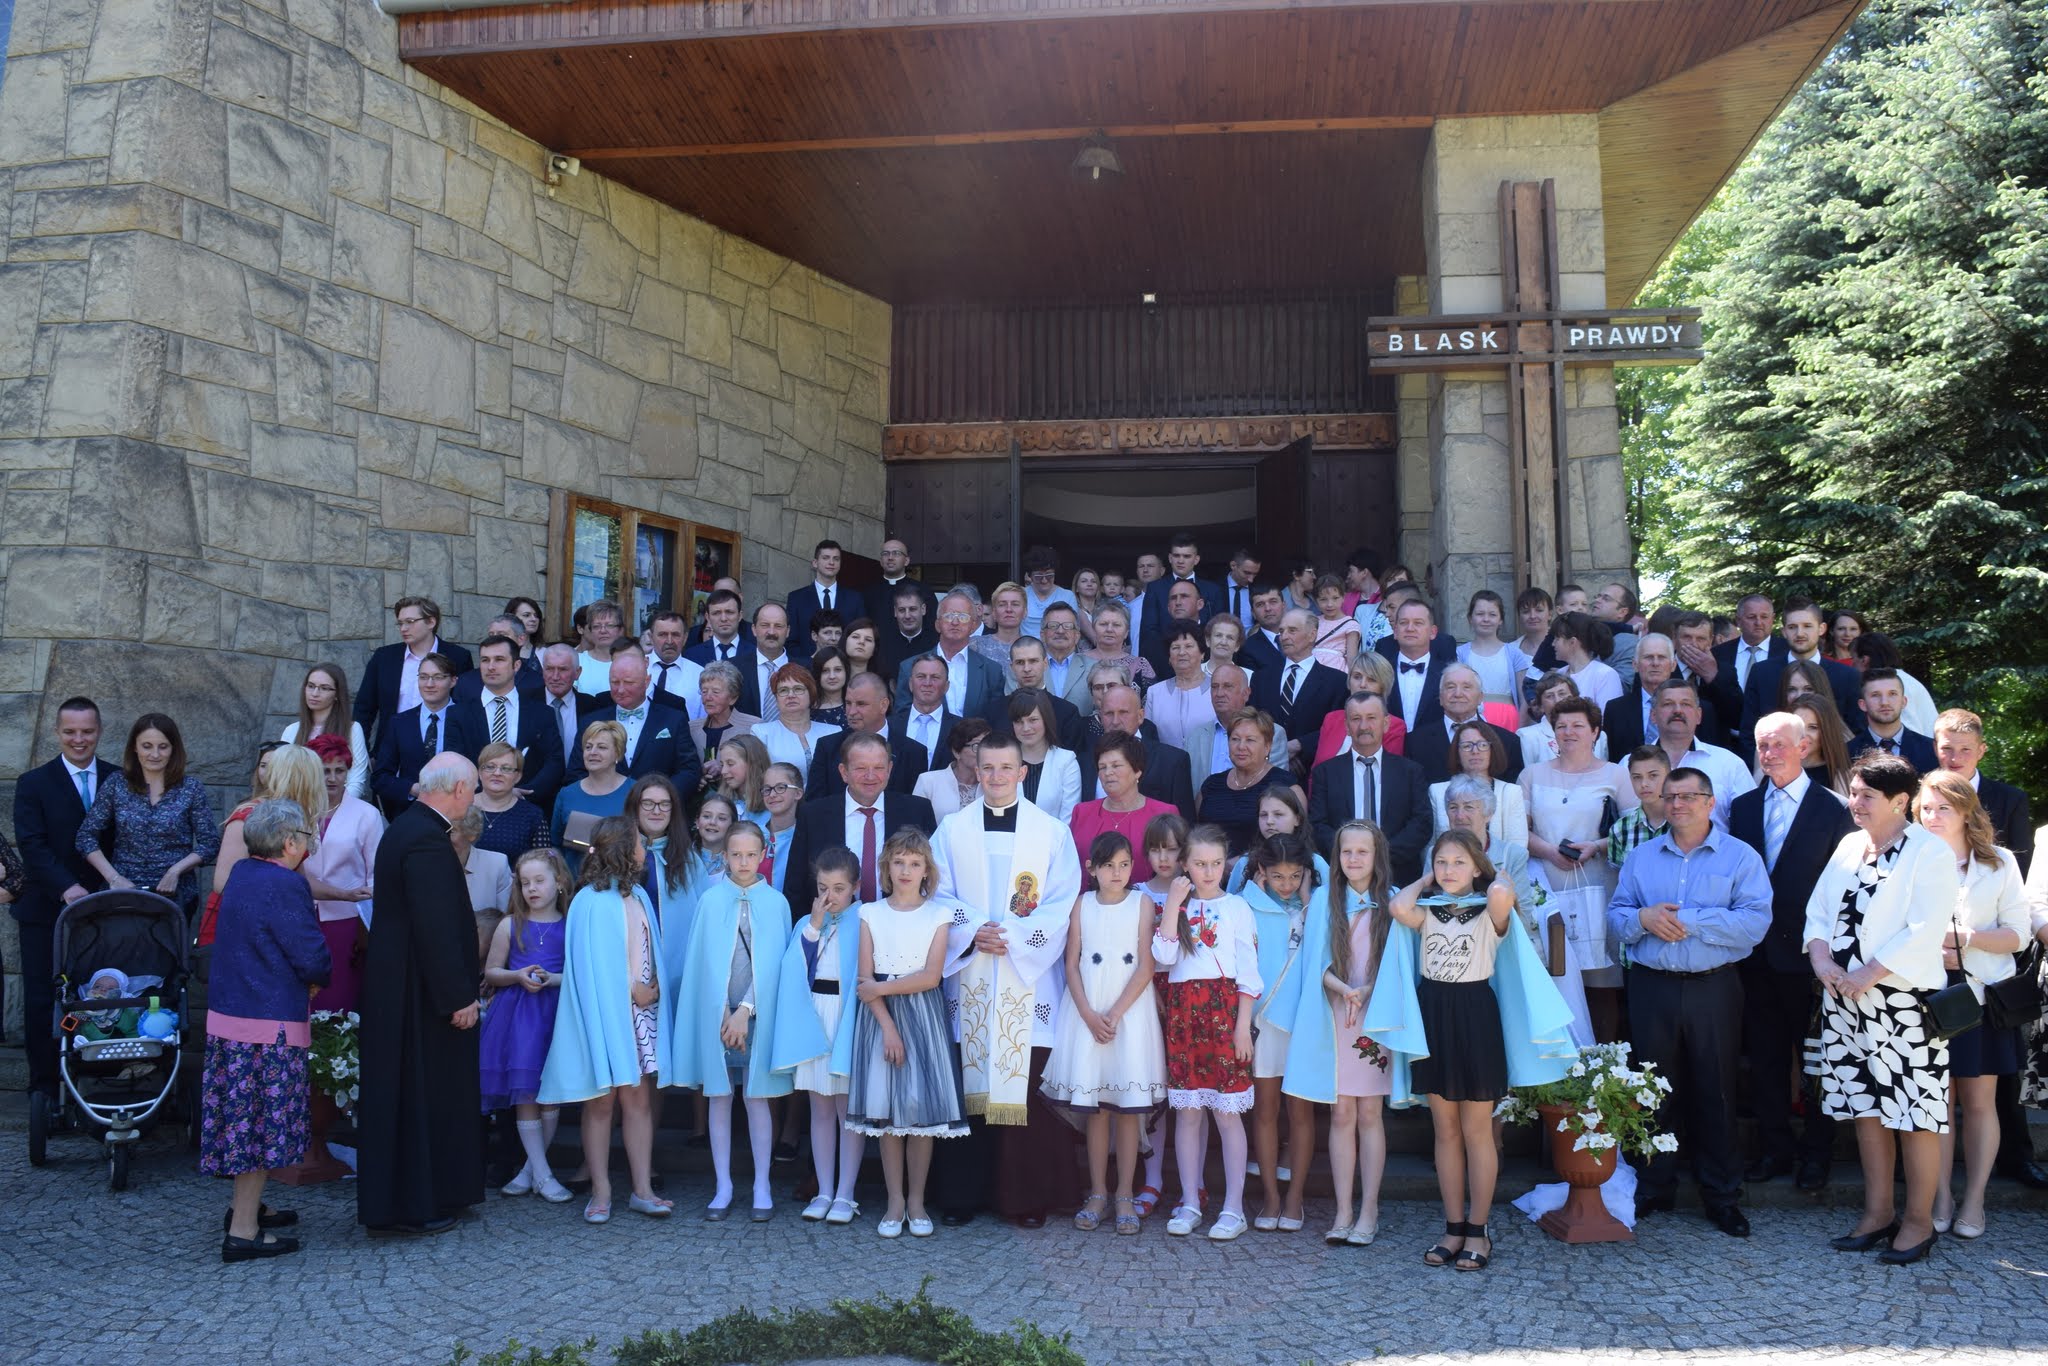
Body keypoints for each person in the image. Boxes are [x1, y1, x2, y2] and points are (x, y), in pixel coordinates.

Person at [1372, 830, 1572, 1272]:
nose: (1448, 870)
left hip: (1476, 1016)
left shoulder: (1490, 911)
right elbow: (1399, 906)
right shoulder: (1428, 911)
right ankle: (1453, 1227)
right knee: (1444, 1130)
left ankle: (1479, 1230)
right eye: (1441, 862)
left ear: (1477, 867)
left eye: (1459, 862)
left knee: (1477, 1130)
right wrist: (1427, 879)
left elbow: (1501, 895)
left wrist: (1493, 874)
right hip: (1434, 1016)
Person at [1804, 752, 1958, 1264]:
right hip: (1844, 1001)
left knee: (1914, 1114)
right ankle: (1877, 1214)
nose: (1855, 803)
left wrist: (1867, 974)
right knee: (1865, 1109)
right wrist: (1822, 959)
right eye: (1853, 793)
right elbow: (1819, 910)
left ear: (1900, 801)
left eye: (1866, 795)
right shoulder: (1850, 845)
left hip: (1902, 1004)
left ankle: (1918, 1222)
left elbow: (1924, 927)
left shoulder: (1928, 851)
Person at [1607, 766, 1772, 1237]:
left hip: (1713, 987)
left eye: (1688, 796)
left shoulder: (1740, 857)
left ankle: (1721, 1195)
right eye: (1670, 797)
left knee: (1715, 1090)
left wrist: (1691, 921)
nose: (1677, 804)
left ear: (1710, 802)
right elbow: (1616, 917)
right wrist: (1643, 918)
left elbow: (1755, 923)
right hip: (1651, 985)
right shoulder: (1641, 857)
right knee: (1652, 1089)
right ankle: (1654, 1185)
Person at [930, 732, 1083, 1229]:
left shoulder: (1050, 832)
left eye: (1005, 768)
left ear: (1022, 773)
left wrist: (1013, 937)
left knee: (1024, 1092)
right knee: (966, 1084)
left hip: (1026, 973)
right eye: (987, 768)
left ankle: (1024, 1198)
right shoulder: (951, 830)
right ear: (975, 772)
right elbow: (937, 892)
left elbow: (1061, 901)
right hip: (970, 969)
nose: (996, 777)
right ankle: (961, 1195)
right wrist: (975, 931)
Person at [356, 753, 485, 1237]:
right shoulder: (427, 840)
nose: (474, 798)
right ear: (457, 789)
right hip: (419, 991)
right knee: (421, 1092)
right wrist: (458, 996)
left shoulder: (408, 829)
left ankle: (429, 1194)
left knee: (415, 1090)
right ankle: (414, 1203)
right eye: (473, 789)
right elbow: (436, 927)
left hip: (405, 982)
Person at [201, 799, 331, 1263]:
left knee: (240, 1121)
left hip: (230, 1017)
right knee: (257, 1128)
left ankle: (248, 1209)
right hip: (266, 1023)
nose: (308, 847)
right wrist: (318, 975)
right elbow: (311, 954)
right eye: (306, 838)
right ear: (289, 842)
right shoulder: (285, 882)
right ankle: (243, 1231)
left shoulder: (242, 873)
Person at [1730, 712, 1854, 1191]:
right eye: (1762, 745)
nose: (1770, 753)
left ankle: (1817, 1154)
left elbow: (1844, 888)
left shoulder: (1835, 808)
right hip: (1756, 957)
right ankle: (1774, 1149)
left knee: (1817, 1059)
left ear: (1803, 747)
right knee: (1766, 1059)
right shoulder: (1741, 808)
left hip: (1812, 958)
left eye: (1779, 744)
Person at [538, 815, 670, 1224]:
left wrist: (652, 987)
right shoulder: (589, 900)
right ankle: (601, 1191)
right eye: (640, 843)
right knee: (600, 1103)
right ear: (623, 850)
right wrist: (632, 988)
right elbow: (591, 965)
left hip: (640, 1015)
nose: (645, 849)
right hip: (605, 1013)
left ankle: (642, 1190)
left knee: (638, 1100)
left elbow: (648, 948)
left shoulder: (639, 896)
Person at [1916, 770, 2030, 1241]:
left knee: (1981, 1103)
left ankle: (1975, 1199)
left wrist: (1965, 940)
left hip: (1981, 995)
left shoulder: (2000, 862)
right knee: (1936, 1104)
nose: (1933, 816)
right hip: (1924, 996)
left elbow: (2018, 935)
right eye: (1926, 808)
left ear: (1966, 811)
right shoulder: (1908, 860)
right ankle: (1939, 1197)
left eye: (1943, 808)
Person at [845, 828, 971, 1238]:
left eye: (914, 863)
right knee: (886, 1112)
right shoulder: (869, 913)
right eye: (898, 861)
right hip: (880, 1019)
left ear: (926, 871)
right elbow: (865, 976)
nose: (905, 870)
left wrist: (880, 989)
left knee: (920, 1111)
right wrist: (887, 1027)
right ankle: (895, 1200)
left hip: (922, 1014)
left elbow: (931, 976)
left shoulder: (938, 915)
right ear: (886, 866)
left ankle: (917, 1200)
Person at [1041, 831, 1166, 1237]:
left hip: (1128, 1013)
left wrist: (1114, 1014)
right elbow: (1072, 963)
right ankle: (1097, 1193)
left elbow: (1146, 965)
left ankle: (1125, 1194)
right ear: (1091, 869)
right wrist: (1087, 1014)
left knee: (1127, 1110)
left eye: (1124, 864)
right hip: (1087, 1011)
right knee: (1095, 1108)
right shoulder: (1082, 904)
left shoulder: (1142, 904)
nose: (1117, 873)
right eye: (1109, 865)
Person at [667, 821, 793, 1219]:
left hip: (756, 1013)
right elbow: (703, 961)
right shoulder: (710, 900)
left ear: (763, 855)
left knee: (756, 1097)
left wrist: (745, 1010)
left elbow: (775, 967)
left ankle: (761, 1184)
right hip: (717, 1014)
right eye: (735, 854)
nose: (743, 862)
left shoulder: (776, 903)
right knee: (719, 1096)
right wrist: (723, 1010)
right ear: (724, 856)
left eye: (751, 854)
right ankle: (722, 1184)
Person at [1286, 820, 1394, 1245]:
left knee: (1369, 1113)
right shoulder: (1324, 902)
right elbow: (1313, 961)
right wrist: (1343, 987)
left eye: (1362, 852)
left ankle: (1370, 1209)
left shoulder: (1390, 902)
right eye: (1346, 852)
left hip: (1374, 1017)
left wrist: (1366, 990)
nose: (1354, 859)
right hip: (1335, 1013)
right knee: (1341, 1113)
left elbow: (1399, 965)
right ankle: (1344, 1209)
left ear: (1376, 856)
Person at [1152, 823, 1261, 1240]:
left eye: (1216, 863)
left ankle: (1233, 1208)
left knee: (1227, 1114)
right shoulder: (1175, 905)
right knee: (1188, 1113)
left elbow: (1249, 972)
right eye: (1200, 864)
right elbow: (1162, 958)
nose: (1209, 871)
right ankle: (1190, 1202)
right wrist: (1173, 905)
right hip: (1184, 1013)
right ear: (1185, 865)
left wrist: (1242, 1027)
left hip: (1224, 1011)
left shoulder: (1237, 907)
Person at [12, 697, 119, 1099]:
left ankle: (97, 1082)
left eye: (87, 731)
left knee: (101, 994)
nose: (79, 739)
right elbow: (32, 845)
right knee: (43, 998)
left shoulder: (118, 778)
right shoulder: (33, 783)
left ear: (99, 731)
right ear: (57, 732)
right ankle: (43, 1085)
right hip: (46, 909)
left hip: (104, 910)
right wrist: (65, 887)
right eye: (70, 731)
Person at [1520, 697, 1636, 1045]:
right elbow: (1519, 829)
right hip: (1547, 888)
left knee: (1600, 981)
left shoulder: (1616, 774)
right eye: (1561, 726)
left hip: (1599, 885)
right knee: (1555, 975)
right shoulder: (1532, 774)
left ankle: (1604, 1062)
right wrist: (1549, 851)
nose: (1568, 732)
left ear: (1595, 731)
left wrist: (1595, 846)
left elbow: (1633, 829)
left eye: (1577, 726)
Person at [770, 848, 866, 1225]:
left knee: (847, 1111)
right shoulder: (808, 923)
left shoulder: (866, 920)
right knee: (820, 1108)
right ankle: (824, 1189)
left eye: (839, 888)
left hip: (847, 1015)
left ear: (856, 887)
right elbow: (793, 967)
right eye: (823, 888)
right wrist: (813, 924)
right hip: (815, 1016)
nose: (830, 896)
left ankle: (846, 1193)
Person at [479, 848, 573, 1204]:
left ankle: (529, 1171)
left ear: (559, 882)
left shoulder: (571, 924)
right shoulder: (510, 924)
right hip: (518, 1019)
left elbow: (579, 973)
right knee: (526, 1093)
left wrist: (552, 979)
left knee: (551, 1092)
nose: (532, 888)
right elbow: (492, 971)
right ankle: (544, 1175)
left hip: (557, 1015)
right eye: (525, 883)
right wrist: (517, 975)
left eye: (539, 881)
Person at [1242, 832, 1320, 1233]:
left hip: (1303, 1020)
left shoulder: (1316, 905)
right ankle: (1271, 1196)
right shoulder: (1245, 906)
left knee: (1300, 1112)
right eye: (1277, 876)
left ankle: (1295, 1197)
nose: (1286, 884)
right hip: (1264, 1021)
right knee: (1265, 1110)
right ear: (1262, 871)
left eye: (1294, 876)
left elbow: (1323, 953)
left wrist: (1307, 902)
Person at [77, 712, 220, 921]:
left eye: (163, 746)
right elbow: (85, 836)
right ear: (135, 747)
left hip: (174, 895)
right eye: (147, 746)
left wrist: (175, 871)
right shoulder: (117, 784)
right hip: (123, 894)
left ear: (173, 749)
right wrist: (113, 877)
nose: (155, 754)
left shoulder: (191, 788)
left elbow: (210, 843)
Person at [782, 731, 940, 914]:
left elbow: (933, 877)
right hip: (831, 924)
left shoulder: (917, 811)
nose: (870, 776)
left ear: (889, 769)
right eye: (861, 768)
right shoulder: (813, 815)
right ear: (844, 772)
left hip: (901, 923)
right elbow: (796, 885)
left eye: (878, 768)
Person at [1307, 692, 1433, 886]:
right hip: (1342, 877)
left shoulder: (1410, 771)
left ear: (1386, 723)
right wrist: (1351, 856)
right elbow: (1317, 825)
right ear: (1347, 726)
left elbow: (1422, 824)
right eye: (1356, 719)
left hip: (1397, 876)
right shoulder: (1325, 773)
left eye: (1371, 718)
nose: (1364, 726)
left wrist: (1380, 856)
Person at [299, 735, 382, 1012]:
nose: (332, 778)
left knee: (339, 994)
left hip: (347, 920)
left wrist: (369, 922)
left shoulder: (366, 814)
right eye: (325, 770)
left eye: (340, 770)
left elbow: (376, 873)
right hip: (301, 915)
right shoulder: (297, 809)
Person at [566, 645, 703, 796]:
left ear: (647, 681)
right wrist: (602, 796)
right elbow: (576, 771)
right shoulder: (590, 721)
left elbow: (689, 770)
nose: (621, 690)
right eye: (615, 682)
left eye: (629, 682)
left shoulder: (673, 719)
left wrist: (662, 797)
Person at [457, 634, 567, 815]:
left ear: (516, 665)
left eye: (499, 659)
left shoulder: (542, 712)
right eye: (485, 660)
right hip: (473, 808)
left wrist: (523, 794)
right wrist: (487, 793)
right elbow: (457, 761)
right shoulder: (459, 713)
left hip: (528, 807)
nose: (491, 666)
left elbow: (554, 760)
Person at [370, 652, 480, 817]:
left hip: (460, 815)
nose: (429, 684)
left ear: (453, 681)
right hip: (411, 815)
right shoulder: (399, 723)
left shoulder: (470, 718)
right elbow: (380, 777)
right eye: (423, 677)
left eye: (438, 677)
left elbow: (480, 769)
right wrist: (412, 789)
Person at [355, 596, 474, 749]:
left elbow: (466, 707)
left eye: (410, 621)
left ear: (431, 622)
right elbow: (364, 708)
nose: (403, 628)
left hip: (442, 749)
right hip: (391, 750)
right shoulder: (384, 657)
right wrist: (363, 752)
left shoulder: (458, 657)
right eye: (400, 623)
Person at [1070, 732, 1180, 880]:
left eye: (1116, 765)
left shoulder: (1164, 813)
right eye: (1102, 767)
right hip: (1086, 895)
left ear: (1137, 770)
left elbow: (1175, 870)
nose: (1108, 772)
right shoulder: (1082, 812)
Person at [1646, 678, 1754, 828]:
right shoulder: (1629, 766)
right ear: (1653, 715)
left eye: (1686, 704)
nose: (1677, 710)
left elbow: (1749, 822)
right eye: (1668, 704)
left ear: (1699, 715)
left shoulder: (1729, 764)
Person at [1743, 596, 1862, 732]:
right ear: (1784, 632)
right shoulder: (1761, 673)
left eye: (1807, 626)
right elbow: (1749, 730)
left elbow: (1857, 730)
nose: (1799, 633)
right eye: (1792, 627)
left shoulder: (1847, 676)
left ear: (1821, 628)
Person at [1078, 685, 1198, 819]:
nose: (1115, 721)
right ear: (1100, 717)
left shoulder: (1172, 761)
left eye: (1123, 713)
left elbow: (1184, 823)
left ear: (1140, 716)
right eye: (1109, 714)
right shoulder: (1084, 761)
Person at [1252, 609, 1350, 770]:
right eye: (1281, 631)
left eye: (1292, 630)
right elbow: (1253, 719)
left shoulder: (1337, 681)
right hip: (1265, 768)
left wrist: (1301, 746)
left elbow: (1337, 727)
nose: (1284, 636)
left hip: (1312, 769)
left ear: (1312, 635)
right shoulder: (1261, 678)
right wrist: (1276, 753)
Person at [1197, 709, 1303, 858]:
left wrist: (1241, 862)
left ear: (1267, 746)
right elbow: (1196, 835)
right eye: (1235, 739)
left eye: (1250, 740)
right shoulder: (1211, 785)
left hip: (1263, 869)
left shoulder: (1287, 787)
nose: (1241, 746)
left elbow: (1296, 843)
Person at [1403, 663, 1525, 784]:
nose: (1458, 694)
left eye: (1466, 687)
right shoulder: (1415, 741)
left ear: (1480, 697)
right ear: (1440, 697)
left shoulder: (1508, 742)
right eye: (1450, 687)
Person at [898, 593, 1005, 721]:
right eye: (949, 616)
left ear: (973, 626)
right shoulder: (910, 667)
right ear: (937, 624)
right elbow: (902, 719)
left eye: (963, 617)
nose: (955, 622)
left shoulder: (991, 671)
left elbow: (996, 720)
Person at [1186, 662, 1290, 789]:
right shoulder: (1195, 736)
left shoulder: (1273, 733)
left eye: (1228, 686)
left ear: (1246, 693)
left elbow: (1278, 788)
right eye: (1214, 687)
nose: (1219, 693)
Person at [551, 720, 631, 877]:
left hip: (621, 881)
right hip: (575, 884)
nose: (593, 752)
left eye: (602, 747)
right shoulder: (567, 794)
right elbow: (555, 844)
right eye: (588, 747)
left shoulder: (635, 791)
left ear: (618, 753)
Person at [1428, 721, 1528, 846]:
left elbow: (1518, 846)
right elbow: (1431, 847)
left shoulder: (1511, 792)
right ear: (1457, 752)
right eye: (1467, 746)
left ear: (1492, 750)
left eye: (1482, 745)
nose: (1475, 751)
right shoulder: (1437, 792)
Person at [282, 662, 371, 798]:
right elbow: (282, 776)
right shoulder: (291, 731)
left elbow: (356, 781)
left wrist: (334, 807)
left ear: (337, 694)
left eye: (324, 688)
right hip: (296, 805)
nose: (315, 693)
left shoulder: (352, 729)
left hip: (338, 806)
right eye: (311, 686)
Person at [751, 662, 842, 785]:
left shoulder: (834, 732)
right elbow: (757, 781)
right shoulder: (761, 734)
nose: (791, 695)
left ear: (811, 694)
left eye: (798, 689)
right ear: (776, 698)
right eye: (783, 690)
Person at [1139, 532, 1225, 661]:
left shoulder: (1213, 590)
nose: (1180, 561)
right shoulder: (1155, 588)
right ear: (1170, 558)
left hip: (1204, 661)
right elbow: (1149, 632)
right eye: (1176, 555)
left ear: (1196, 559)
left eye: (1186, 556)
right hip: (1163, 661)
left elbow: (1218, 630)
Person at [1312, 651, 1406, 768]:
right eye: (1357, 677)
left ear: (1383, 687)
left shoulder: (1394, 726)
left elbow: (1388, 772)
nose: (1362, 684)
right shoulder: (1332, 719)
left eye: (1371, 679)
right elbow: (1316, 770)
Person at [469, 741, 551, 862]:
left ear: (517, 776)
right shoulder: (461, 807)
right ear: (480, 773)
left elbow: (544, 864)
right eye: (490, 767)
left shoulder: (533, 815)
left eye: (506, 768)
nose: (497, 773)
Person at [1009, 688, 1081, 822]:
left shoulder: (1066, 761)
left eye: (1033, 720)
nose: (1026, 728)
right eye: (1019, 721)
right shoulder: (1002, 759)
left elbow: (1068, 820)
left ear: (1046, 720)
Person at [1850, 632, 1940, 736]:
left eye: (1853, 658)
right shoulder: (1903, 680)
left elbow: (1910, 730)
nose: (1851, 664)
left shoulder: (1896, 684)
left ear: (1864, 660)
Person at [1847, 668, 1936, 772]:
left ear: (1904, 702)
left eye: (1892, 694)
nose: (1885, 702)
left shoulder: (1931, 749)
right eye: (1875, 695)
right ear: (1863, 705)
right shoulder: (1847, 753)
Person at [452, 808, 514, 957]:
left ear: (471, 834)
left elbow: (504, 919)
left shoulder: (496, 864)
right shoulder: (426, 866)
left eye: (452, 831)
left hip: (484, 954)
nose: (442, 835)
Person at [1145, 621, 1214, 751]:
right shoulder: (1155, 692)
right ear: (1169, 657)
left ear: (1202, 653)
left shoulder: (1216, 689)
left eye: (1189, 646)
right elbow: (1149, 737)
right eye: (1175, 647)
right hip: (1166, 762)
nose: (1182, 652)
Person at [1456, 591, 1530, 711]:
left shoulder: (1514, 653)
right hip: (1471, 716)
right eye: (1480, 614)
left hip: (1507, 717)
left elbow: (1524, 699)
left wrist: (1521, 722)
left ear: (1501, 620)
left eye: (1492, 614)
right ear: (1470, 618)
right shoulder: (1460, 654)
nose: (1486, 619)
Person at [1605, 746, 1671, 869]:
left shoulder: (1685, 823)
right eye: (1637, 777)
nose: (1644, 784)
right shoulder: (1620, 828)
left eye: (1653, 775)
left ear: (1669, 776)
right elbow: (1618, 877)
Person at [912, 716, 989, 821]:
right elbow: (915, 824)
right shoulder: (928, 782)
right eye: (976, 746)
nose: (984, 752)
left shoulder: (993, 783)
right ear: (957, 752)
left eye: (988, 745)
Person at [688, 661, 758, 776]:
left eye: (716, 692)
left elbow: (758, 769)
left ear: (733, 698)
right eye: (704, 691)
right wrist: (698, 778)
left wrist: (724, 768)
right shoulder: (691, 728)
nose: (708, 697)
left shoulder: (753, 727)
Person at [1548, 612, 1623, 713]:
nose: (1553, 644)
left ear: (1572, 642)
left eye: (1557, 638)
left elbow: (1608, 717)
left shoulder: (1605, 675)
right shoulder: (1559, 674)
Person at [786, 537, 848, 650]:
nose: (831, 562)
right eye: (825, 558)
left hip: (843, 660)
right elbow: (791, 640)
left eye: (836, 559)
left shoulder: (855, 598)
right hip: (806, 660)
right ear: (815, 563)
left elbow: (857, 636)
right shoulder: (796, 598)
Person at [1791, 694, 1856, 797]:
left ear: (1827, 731)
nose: (1803, 734)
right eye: (1798, 726)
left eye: (1813, 727)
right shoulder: (1775, 768)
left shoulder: (1841, 776)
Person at [1084, 599, 1155, 691]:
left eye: (1116, 625)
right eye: (1103, 624)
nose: (1109, 629)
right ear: (1093, 629)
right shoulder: (1076, 662)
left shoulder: (1140, 665)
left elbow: (1151, 699)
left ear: (1126, 632)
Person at [866, 537, 937, 626]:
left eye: (896, 553)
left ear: (906, 561)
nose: (890, 557)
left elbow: (932, 624)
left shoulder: (923, 590)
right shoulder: (869, 592)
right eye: (885, 553)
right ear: (881, 561)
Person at [876, 583, 939, 678]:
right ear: (895, 612)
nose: (907, 616)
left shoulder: (936, 644)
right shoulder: (883, 645)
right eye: (902, 610)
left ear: (923, 609)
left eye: (912, 609)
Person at [715, 734, 771, 826]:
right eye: (722, 765)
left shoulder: (773, 804)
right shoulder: (719, 802)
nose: (723, 771)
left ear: (753, 764)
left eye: (730, 764)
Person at [972, 582, 1029, 673]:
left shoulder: (1034, 647)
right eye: (1002, 604)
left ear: (1025, 612)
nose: (1009, 609)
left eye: (1015, 604)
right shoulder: (976, 645)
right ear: (994, 612)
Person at [809, 647, 852, 728]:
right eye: (825, 671)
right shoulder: (807, 710)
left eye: (838, 670)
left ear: (846, 672)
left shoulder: (856, 707)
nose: (832, 676)